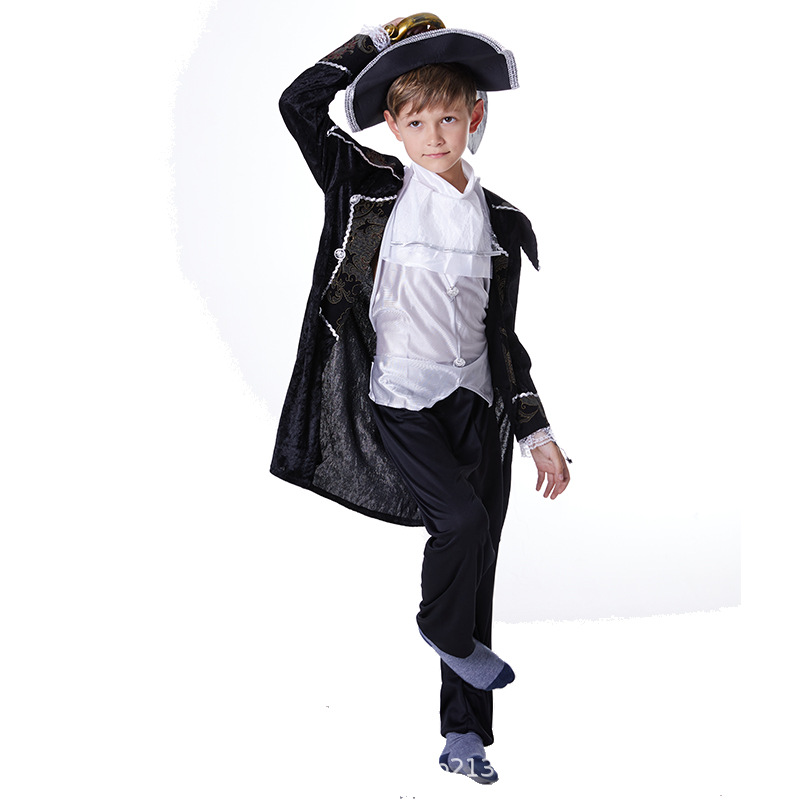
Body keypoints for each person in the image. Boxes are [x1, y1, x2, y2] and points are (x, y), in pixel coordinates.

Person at [270, 15, 570, 784]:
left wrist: (536, 434)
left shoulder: (500, 223)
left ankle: (464, 736)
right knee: (459, 526)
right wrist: (375, 42)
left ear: (475, 117)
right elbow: (298, 103)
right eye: (414, 122)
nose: (433, 136)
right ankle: (441, 629)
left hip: (478, 406)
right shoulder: (369, 185)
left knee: (477, 560)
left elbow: (502, 340)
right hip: (401, 398)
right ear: (391, 125)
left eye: (448, 119)